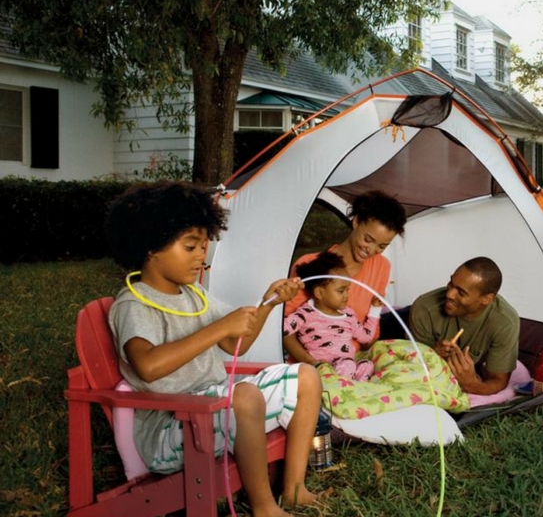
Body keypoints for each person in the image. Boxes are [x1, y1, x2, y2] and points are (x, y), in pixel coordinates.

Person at [105, 181, 320, 517]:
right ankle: (264, 508)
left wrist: (268, 304)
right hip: (171, 427)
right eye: (190, 247)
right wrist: (218, 326)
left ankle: (293, 489)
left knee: (306, 376)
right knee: (245, 396)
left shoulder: (193, 296)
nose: (201, 256)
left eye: (203, 246)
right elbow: (147, 366)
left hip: (212, 403)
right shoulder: (135, 304)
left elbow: (237, 344)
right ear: (151, 247)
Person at [283, 190, 407, 363]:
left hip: (351, 362)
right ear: (356, 222)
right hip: (310, 366)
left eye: (382, 246)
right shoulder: (310, 265)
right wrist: (316, 365)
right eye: (368, 239)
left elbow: (371, 326)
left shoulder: (381, 266)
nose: (371, 250)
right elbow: (285, 331)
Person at [409, 257, 520, 396]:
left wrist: (471, 385)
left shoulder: (505, 322)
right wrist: (432, 355)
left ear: (486, 299)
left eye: (461, 293)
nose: (449, 294)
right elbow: (411, 368)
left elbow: (499, 380)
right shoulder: (424, 308)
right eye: (451, 283)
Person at [283, 251, 381, 381]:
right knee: (348, 364)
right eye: (341, 291)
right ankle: (342, 390)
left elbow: (366, 338)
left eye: (347, 290)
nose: (347, 295)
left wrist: (375, 309)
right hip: (323, 370)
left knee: (366, 365)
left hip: (347, 366)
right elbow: (282, 330)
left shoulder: (348, 314)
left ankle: (356, 391)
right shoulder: (306, 314)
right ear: (319, 293)